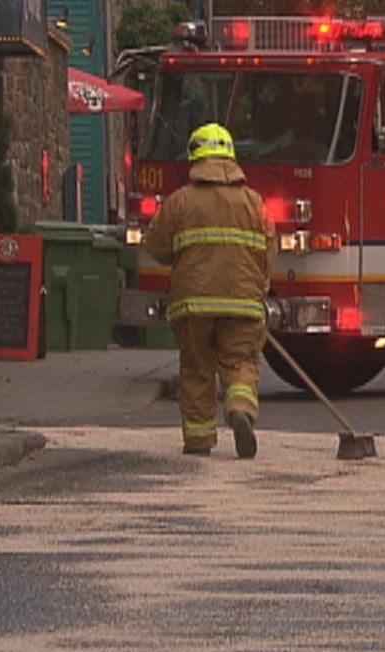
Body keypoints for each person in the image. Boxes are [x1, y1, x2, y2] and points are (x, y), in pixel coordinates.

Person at [144, 123, 276, 458]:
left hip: (193, 305)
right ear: (231, 157)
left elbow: (155, 246)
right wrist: (258, 291)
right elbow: (268, 253)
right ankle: (240, 410)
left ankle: (199, 441)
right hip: (243, 304)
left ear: (194, 157)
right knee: (240, 364)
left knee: (197, 370)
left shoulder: (180, 202)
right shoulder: (253, 203)